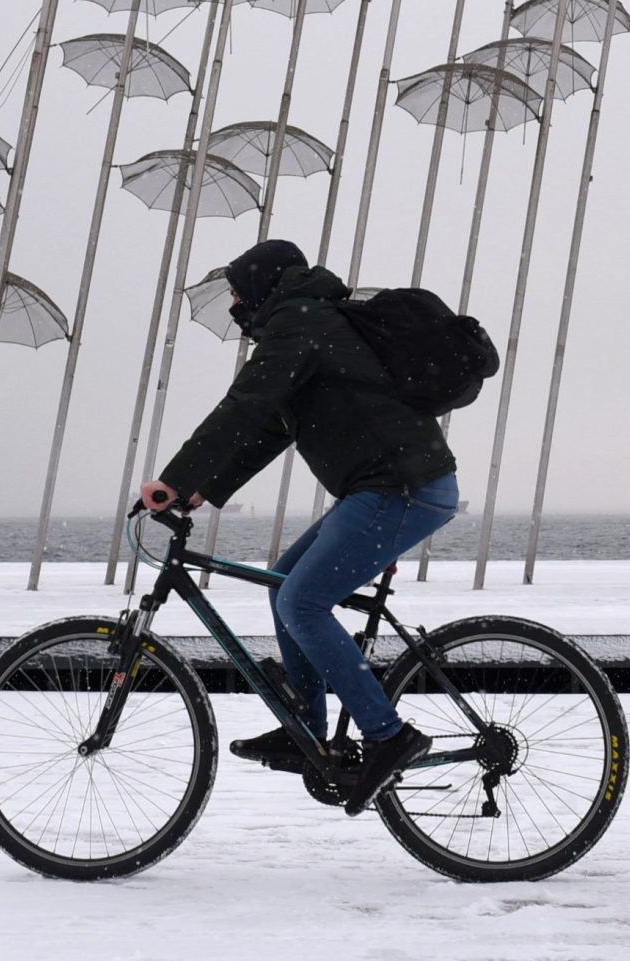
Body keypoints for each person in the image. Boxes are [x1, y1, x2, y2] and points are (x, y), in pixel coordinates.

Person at [139, 238, 460, 813]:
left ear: (262, 285)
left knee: (302, 603)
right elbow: (267, 429)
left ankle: (390, 737)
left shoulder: (301, 321)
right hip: (388, 485)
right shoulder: (310, 323)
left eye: (237, 292)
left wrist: (171, 475)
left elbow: (244, 405)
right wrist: (199, 490)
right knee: (283, 582)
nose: (235, 305)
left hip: (402, 488)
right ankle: (306, 727)